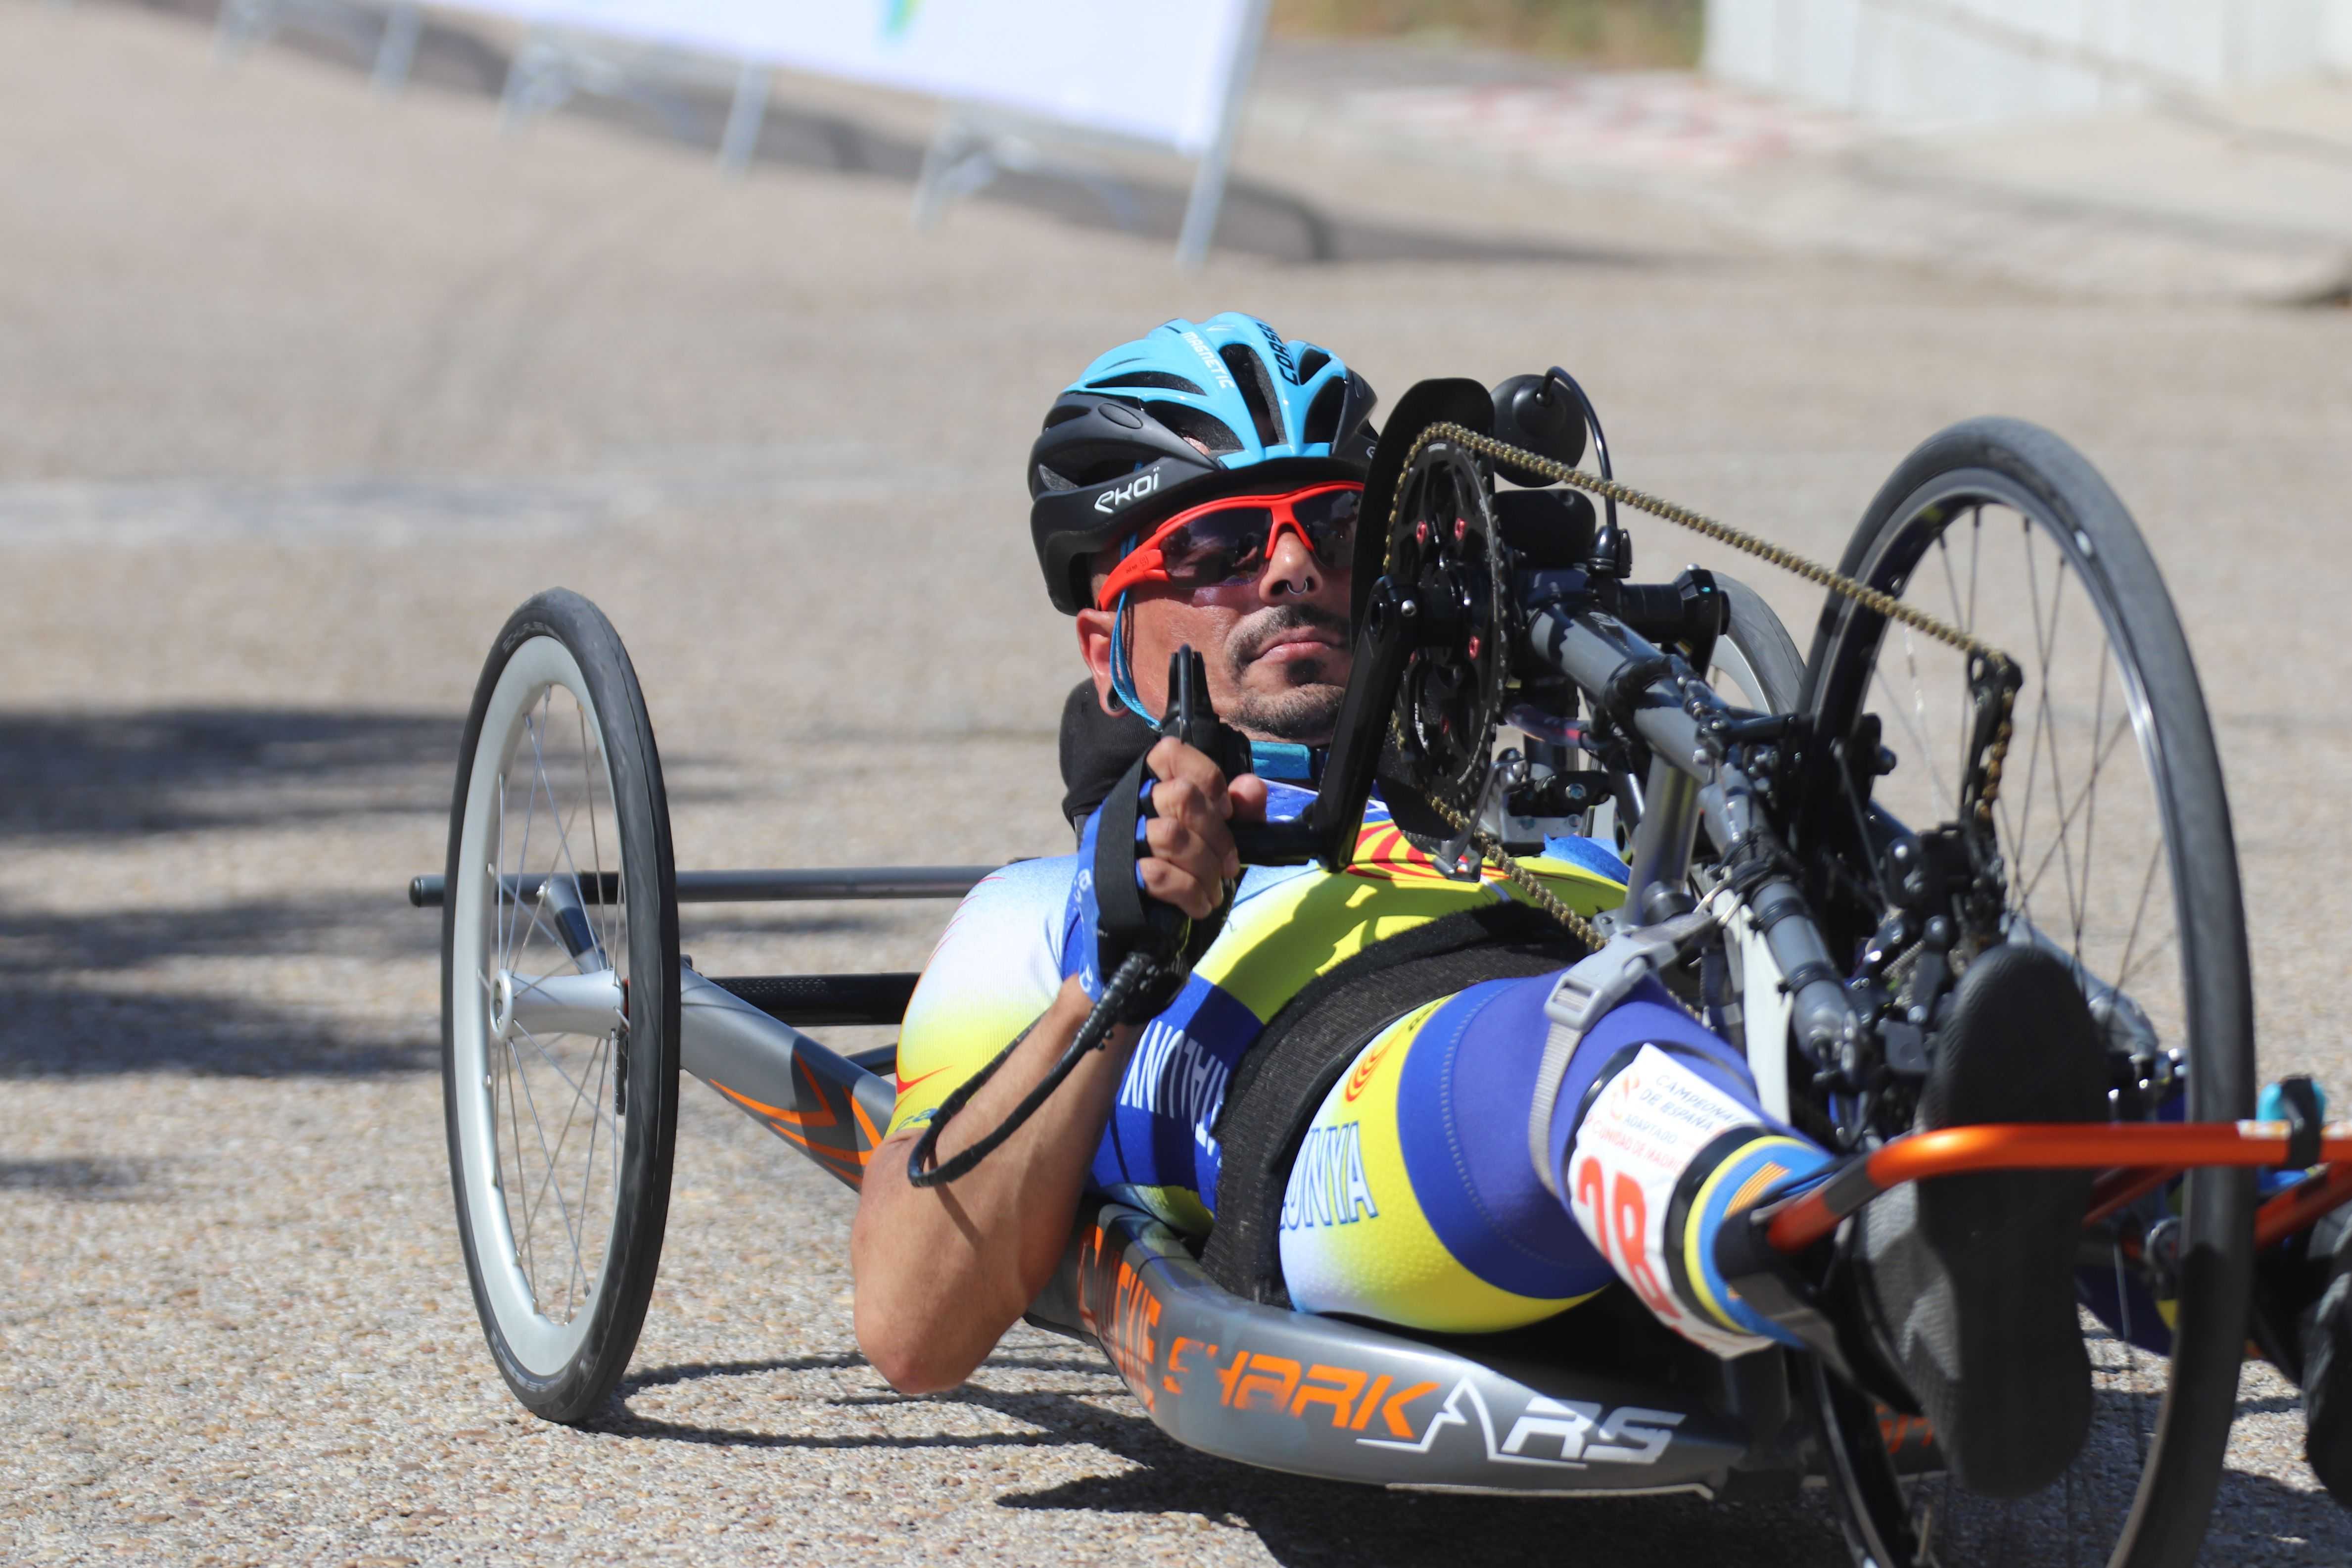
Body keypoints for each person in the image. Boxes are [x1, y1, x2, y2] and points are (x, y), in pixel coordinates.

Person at [849, 313, 2109, 1499]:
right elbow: (911, 1326)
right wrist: (1118, 970)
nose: (1290, 567)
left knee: (1939, 977)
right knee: (1565, 1041)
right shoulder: (1041, 912)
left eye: (1335, 531)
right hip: (1358, 1113)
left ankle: (2282, 1271)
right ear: (1105, 640)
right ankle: (1862, 1267)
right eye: (1217, 548)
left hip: (1651, 1016)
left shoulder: (1532, 784)